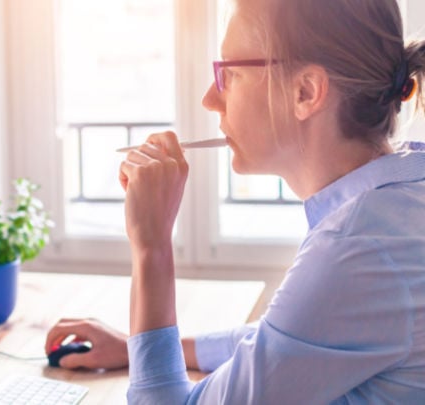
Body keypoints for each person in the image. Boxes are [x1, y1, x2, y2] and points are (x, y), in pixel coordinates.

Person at [45, 0, 425, 402]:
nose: (211, 98)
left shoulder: (356, 248)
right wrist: (135, 349)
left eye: (230, 72)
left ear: (305, 91)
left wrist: (152, 245)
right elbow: (285, 341)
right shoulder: (398, 201)